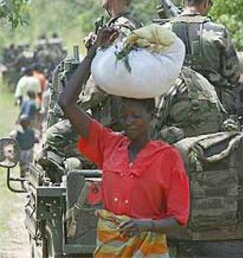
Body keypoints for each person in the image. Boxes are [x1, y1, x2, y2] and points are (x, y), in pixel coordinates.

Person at [58, 27, 190, 257]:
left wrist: (146, 225)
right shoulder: (109, 144)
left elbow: (179, 220)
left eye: (136, 116)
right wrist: (92, 54)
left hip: (149, 249)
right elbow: (66, 103)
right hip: (108, 246)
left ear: (152, 116)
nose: (128, 122)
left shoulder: (167, 157)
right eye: (125, 115)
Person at [44, 0, 142, 165]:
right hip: (126, 114)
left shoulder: (118, 31)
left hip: (115, 120)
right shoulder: (134, 26)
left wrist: (74, 108)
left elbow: (105, 80)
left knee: (54, 137)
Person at [169, 0, 241, 115]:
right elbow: (233, 76)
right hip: (214, 108)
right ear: (207, 2)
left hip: (173, 107)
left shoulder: (164, 31)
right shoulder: (218, 32)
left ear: (184, 1)